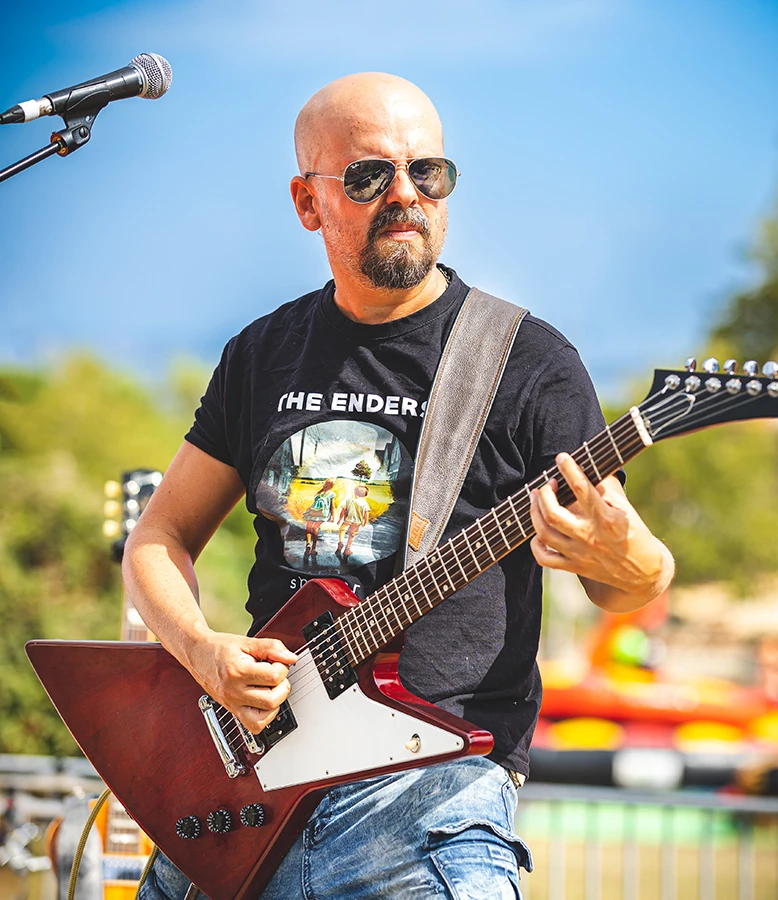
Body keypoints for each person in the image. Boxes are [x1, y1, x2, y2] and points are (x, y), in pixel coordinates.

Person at [125, 72, 675, 899]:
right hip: (245, 794)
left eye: (428, 172)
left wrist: (637, 562)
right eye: (368, 176)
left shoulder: (529, 363)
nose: (406, 194)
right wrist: (205, 653)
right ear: (307, 203)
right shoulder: (261, 353)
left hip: (430, 804)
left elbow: (623, 579)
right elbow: (157, 538)